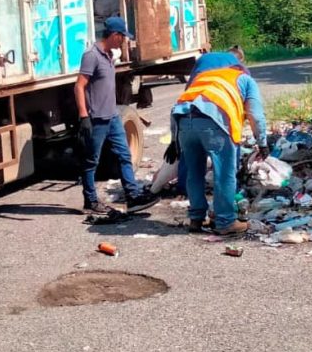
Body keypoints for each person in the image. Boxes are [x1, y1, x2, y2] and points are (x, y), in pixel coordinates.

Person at [172, 51, 267, 235]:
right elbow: (255, 114)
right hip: (214, 122)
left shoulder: (203, 76)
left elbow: (185, 100)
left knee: (194, 172)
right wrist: (262, 141)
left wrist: (174, 139)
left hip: (183, 120)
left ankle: (196, 218)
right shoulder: (244, 79)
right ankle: (225, 221)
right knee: (224, 173)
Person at [76, 17, 157, 217]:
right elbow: (79, 86)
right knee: (91, 161)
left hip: (112, 116)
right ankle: (91, 200)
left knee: (124, 155)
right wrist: (84, 116)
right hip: (97, 119)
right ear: (114, 35)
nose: (123, 41)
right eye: (122, 37)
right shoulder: (91, 55)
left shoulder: (109, 55)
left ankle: (133, 195)